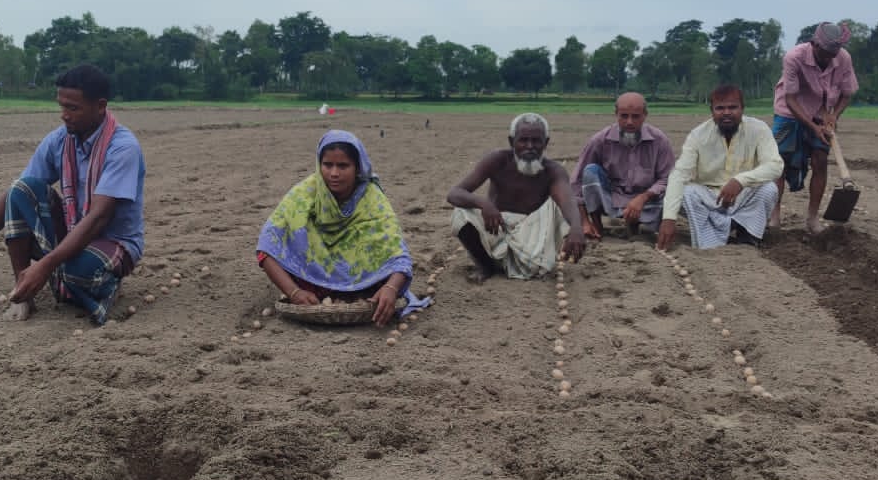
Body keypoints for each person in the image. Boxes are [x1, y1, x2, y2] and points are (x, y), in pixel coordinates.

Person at [0, 64, 145, 325]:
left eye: (73, 108)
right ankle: (24, 295)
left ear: (100, 106)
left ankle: (101, 283)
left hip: (113, 240)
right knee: (22, 190)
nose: (64, 116)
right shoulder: (59, 140)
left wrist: (44, 266)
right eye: (62, 106)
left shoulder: (122, 148)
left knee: (79, 271)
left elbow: (99, 218)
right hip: (74, 228)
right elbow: (16, 193)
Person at [257, 130, 418, 327]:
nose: (334, 173)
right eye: (327, 165)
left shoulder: (372, 198)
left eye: (343, 166)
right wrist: (294, 292)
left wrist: (392, 288)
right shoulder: (303, 194)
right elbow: (266, 248)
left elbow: (398, 255)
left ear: (358, 168)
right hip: (312, 283)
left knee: (385, 274)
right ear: (319, 164)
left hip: (365, 283)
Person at [447, 112, 586, 280]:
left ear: (546, 143)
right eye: (523, 140)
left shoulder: (553, 171)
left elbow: (566, 200)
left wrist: (577, 229)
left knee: (562, 208)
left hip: (532, 232)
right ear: (511, 141)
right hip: (496, 226)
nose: (529, 146)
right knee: (461, 213)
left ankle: (517, 263)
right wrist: (484, 204)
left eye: (536, 141)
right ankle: (485, 266)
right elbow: (454, 193)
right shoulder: (497, 160)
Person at [658, 86, 783, 251]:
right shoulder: (698, 135)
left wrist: (740, 181)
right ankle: (712, 243)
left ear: (742, 108)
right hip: (710, 198)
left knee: (769, 189)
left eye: (732, 107)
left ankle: (746, 235)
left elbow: (775, 165)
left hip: (743, 195)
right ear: (712, 111)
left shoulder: (758, 129)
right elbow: (679, 175)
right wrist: (668, 219)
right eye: (720, 108)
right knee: (686, 193)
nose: (726, 113)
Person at [772, 22, 859, 232]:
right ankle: (774, 217)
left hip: (822, 112)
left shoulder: (843, 58)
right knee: (779, 163)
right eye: (826, 53)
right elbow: (791, 98)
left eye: (834, 53)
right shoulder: (794, 57)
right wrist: (812, 126)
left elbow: (847, 93)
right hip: (789, 112)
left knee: (820, 161)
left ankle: (812, 218)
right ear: (814, 44)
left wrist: (833, 115)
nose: (830, 58)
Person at [573, 92, 675, 240]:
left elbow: (667, 178)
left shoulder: (659, 141)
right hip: (612, 198)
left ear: (645, 115)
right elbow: (576, 182)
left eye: (635, 116)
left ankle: (639, 225)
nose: (629, 122)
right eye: (624, 116)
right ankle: (597, 225)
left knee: (674, 191)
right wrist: (584, 221)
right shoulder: (600, 140)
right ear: (616, 114)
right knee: (590, 172)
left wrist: (643, 197)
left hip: (648, 202)